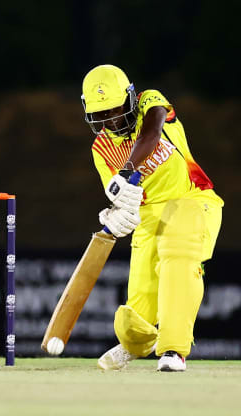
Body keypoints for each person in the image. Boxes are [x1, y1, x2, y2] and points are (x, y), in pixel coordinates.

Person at [81, 65, 223, 372]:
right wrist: (118, 212)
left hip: (191, 200)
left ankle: (174, 350)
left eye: (115, 110)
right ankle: (135, 345)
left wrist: (127, 170)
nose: (111, 120)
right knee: (137, 312)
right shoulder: (101, 149)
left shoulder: (151, 102)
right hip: (149, 218)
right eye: (102, 114)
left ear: (130, 99)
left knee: (178, 256)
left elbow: (152, 133)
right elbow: (118, 192)